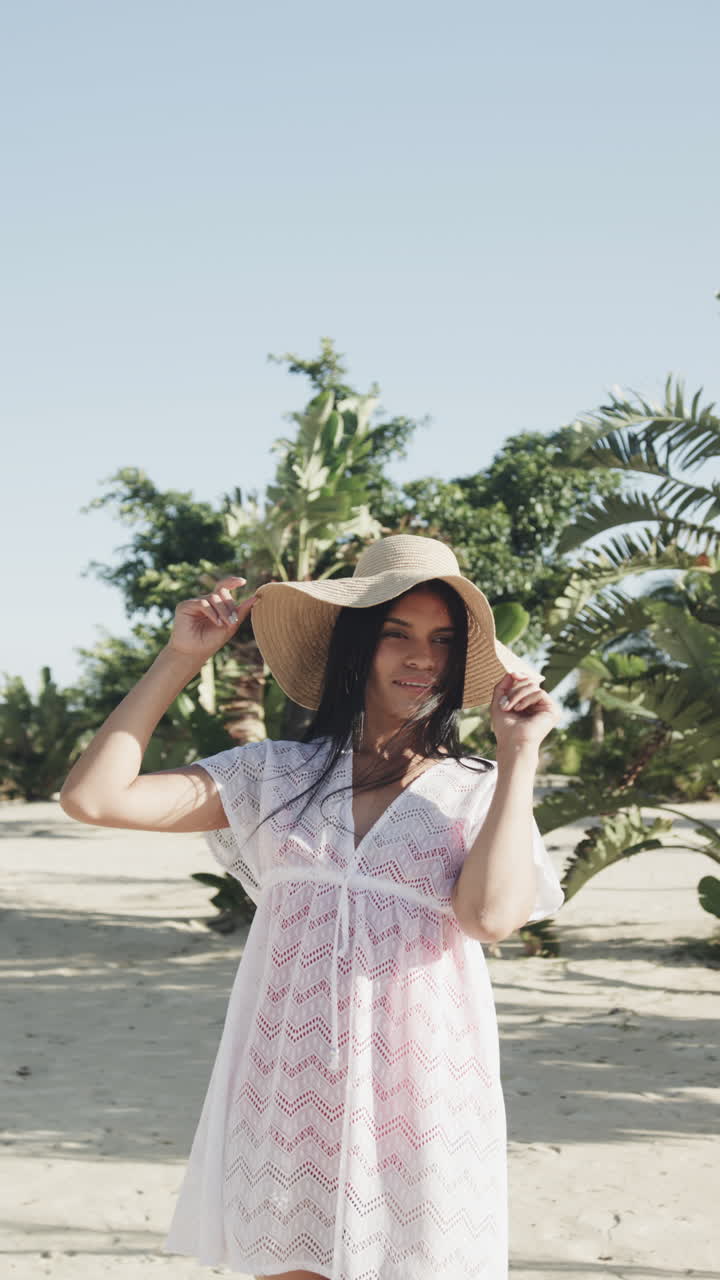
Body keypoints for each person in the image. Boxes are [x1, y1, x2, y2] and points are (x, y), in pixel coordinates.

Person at [60, 533, 565, 1280]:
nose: (421, 657)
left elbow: (490, 919)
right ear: (356, 645)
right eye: (397, 633)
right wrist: (181, 658)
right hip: (286, 1092)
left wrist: (520, 752)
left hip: (421, 1100)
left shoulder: (480, 790)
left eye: (442, 640)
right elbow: (94, 797)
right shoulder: (273, 776)